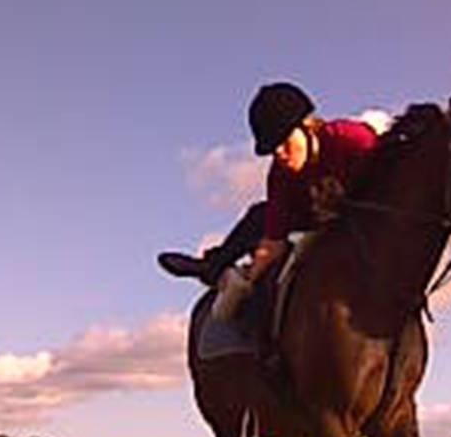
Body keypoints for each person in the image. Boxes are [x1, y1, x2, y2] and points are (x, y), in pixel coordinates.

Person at [158, 81, 379, 320]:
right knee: (259, 215)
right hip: (311, 224)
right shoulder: (279, 175)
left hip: (362, 221)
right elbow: (274, 243)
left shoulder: (351, 139)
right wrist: (249, 279)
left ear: (308, 126)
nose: (280, 155)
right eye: (273, 150)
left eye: (285, 143)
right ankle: (212, 268)